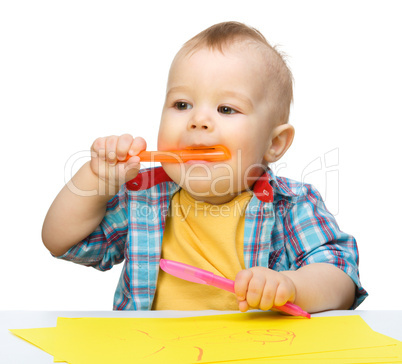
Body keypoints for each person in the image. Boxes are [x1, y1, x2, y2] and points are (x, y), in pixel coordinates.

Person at [42, 21, 367, 312]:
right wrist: (97, 179)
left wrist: (293, 287)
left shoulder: (292, 205)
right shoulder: (141, 198)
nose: (198, 120)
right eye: (182, 105)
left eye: (226, 109)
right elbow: (63, 242)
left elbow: (341, 275)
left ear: (274, 144)